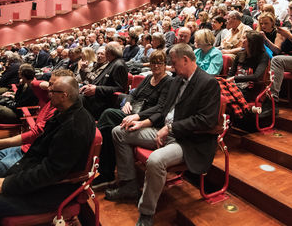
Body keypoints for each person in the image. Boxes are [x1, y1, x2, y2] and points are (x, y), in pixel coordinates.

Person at [0, 75, 95, 225]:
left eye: (52, 91)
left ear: (64, 96)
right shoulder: (63, 112)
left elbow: (51, 172)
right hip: (35, 168)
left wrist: (9, 184)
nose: (48, 94)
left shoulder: (74, 127)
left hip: (55, 189)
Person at [105, 44, 220, 226]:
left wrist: (171, 128)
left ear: (185, 59)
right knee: (119, 132)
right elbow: (162, 109)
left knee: (155, 160)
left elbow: (205, 121)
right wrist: (142, 121)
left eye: (173, 63)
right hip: (162, 131)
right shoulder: (176, 80)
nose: (171, 67)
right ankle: (128, 185)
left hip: (187, 140)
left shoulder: (208, 83)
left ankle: (147, 212)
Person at [94, 51, 172, 188]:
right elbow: (132, 94)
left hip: (147, 120)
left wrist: (138, 116)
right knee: (108, 127)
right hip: (132, 113)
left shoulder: (168, 82)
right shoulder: (148, 78)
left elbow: (160, 108)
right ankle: (104, 170)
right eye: (153, 62)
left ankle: (98, 159)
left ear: (165, 64)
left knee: (108, 115)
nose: (156, 66)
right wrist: (128, 102)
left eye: (160, 63)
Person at [80, 41, 129, 119]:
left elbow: (120, 88)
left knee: (77, 100)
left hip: (102, 101)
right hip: (97, 96)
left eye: (105, 51)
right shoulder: (112, 63)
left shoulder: (119, 65)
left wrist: (97, 89)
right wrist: (89, 86)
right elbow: (99, 81)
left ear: (109, 52)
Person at [227, 31, 270, 102]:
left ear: (252, 43)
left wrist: (234, 78)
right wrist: (229, 82)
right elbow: (230, 74)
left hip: (249, 90)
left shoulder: (263, 56)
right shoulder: (240, 54)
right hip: (234, 86)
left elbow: (256, 77)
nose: (241, 40)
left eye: (244, 39)